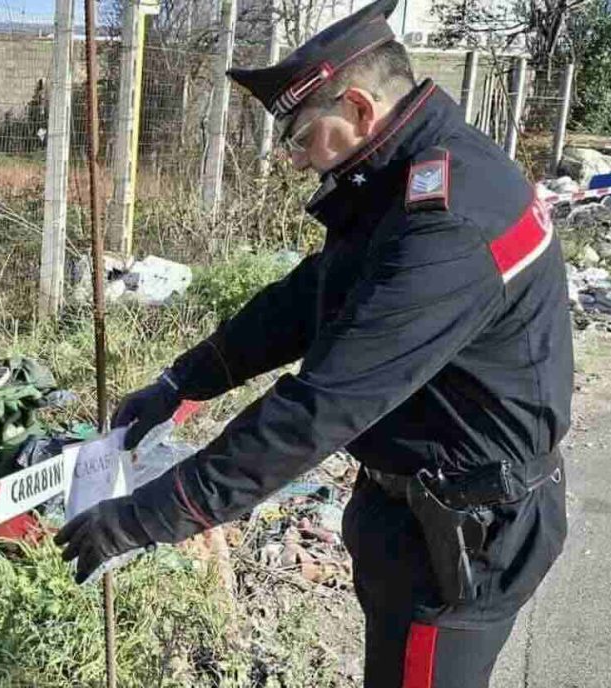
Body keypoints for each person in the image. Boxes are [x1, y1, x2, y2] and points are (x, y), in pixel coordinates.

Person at [55, 0, 573, 684]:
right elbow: (308, 298)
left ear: (358, 107)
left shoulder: (451, 219)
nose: (297, 160)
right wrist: (184, 382)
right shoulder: (408, 175)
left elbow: (323, 404)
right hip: (420, 513)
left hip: (466, 539)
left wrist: (152, 514)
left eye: (301, 137)